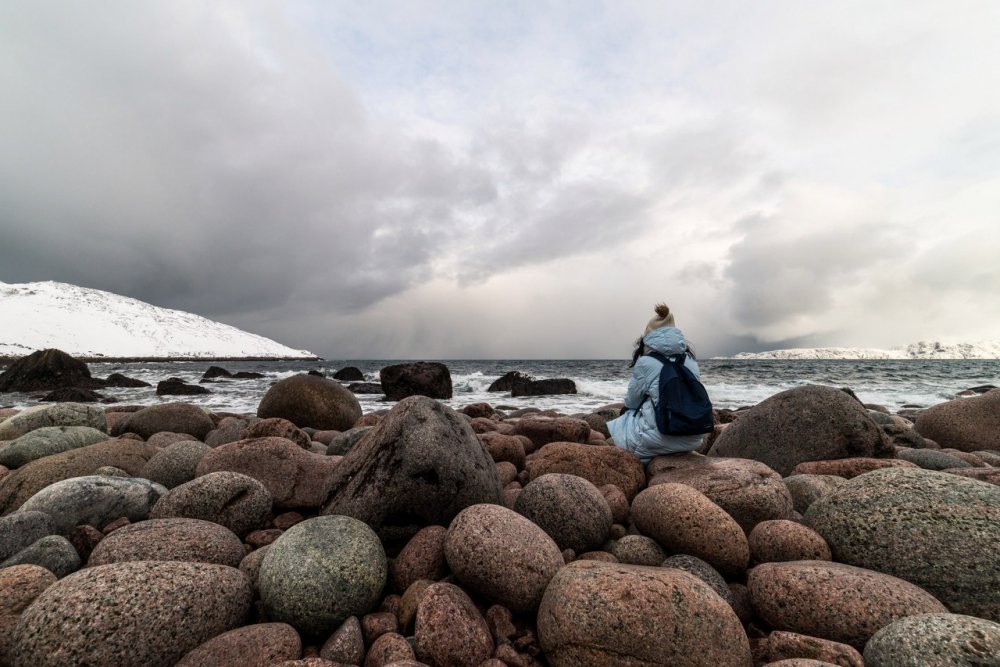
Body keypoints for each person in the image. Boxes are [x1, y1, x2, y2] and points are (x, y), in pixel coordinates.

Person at [607, 303, 708, 463]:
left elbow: (632, 402)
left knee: (622, 421)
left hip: (660, 437)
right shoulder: (690, 361)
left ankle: (642, 467)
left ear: (649, 337)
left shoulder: (646, 362)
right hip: (694, 437)